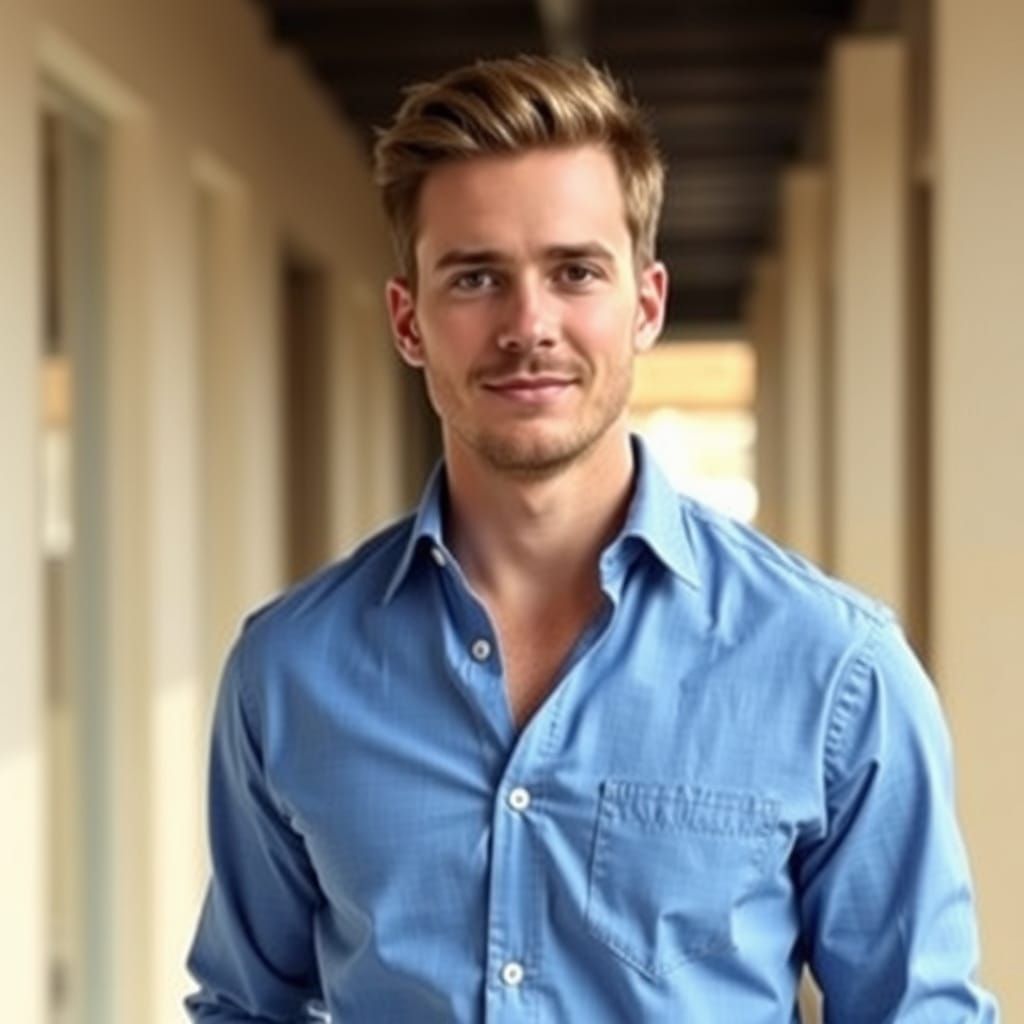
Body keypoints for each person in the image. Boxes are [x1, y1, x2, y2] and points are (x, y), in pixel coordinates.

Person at [185, 56, 998, 1022]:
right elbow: (245, 1005)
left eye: (575, 272)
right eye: (476, 277)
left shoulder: (834, 669)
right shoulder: (288, 671)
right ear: (408, 320)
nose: (529, 325)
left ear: (646, 304)